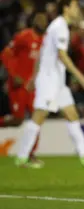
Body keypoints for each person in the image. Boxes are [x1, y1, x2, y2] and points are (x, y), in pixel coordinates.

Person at [14, 0, 84, 168]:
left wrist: (33, 78)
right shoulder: (60, 27)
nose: (77, 9)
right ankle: (22, 157)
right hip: (50, 80)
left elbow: (42, 55)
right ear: (66, 7)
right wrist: (80, 77)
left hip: (56, 80)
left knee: (72, 114)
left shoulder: (57, 26)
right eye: (75, 6)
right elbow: (62, 55)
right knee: (39, 116)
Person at [0, 12, 48, 167]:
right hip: (18, 86)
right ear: (34, 21)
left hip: (33, 86)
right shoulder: (23, 36)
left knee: (37, 118)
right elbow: (6, 54)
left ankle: (30, 154)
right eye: (39, 18)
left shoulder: (45, 40)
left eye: (44, 19)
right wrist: (14, 75)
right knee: (18, 119)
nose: (41, 21)